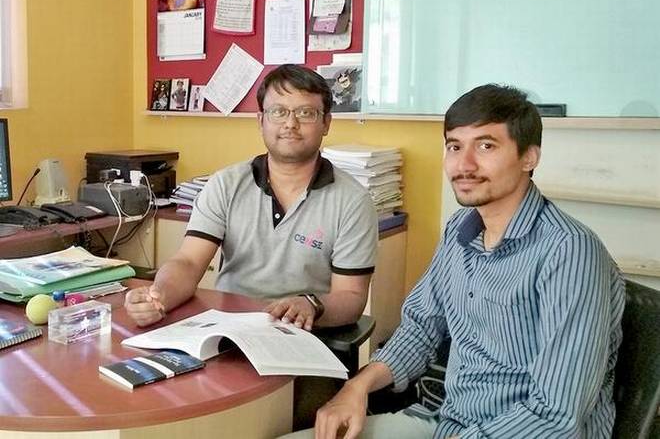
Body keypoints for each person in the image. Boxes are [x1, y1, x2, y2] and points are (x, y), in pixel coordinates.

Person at [283, 84, 625, 439]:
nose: (465, 165)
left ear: (529, 157)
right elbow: (421, 328)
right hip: (450, 421)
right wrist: (356, 388)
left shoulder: (569, 252)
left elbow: (556, 415)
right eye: (454, 146)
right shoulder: (461, 229)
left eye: (486, 146)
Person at [125, 64, 378, 332]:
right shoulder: (226, 185)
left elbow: (351, 297)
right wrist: (159, 296)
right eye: (278, 112)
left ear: (326, 123)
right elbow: (188, 262)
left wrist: (311, 305)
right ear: (261, 121)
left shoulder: (353, 201)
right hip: (228, 329)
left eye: (306, 113)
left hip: (303, 336)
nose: (290, 124)